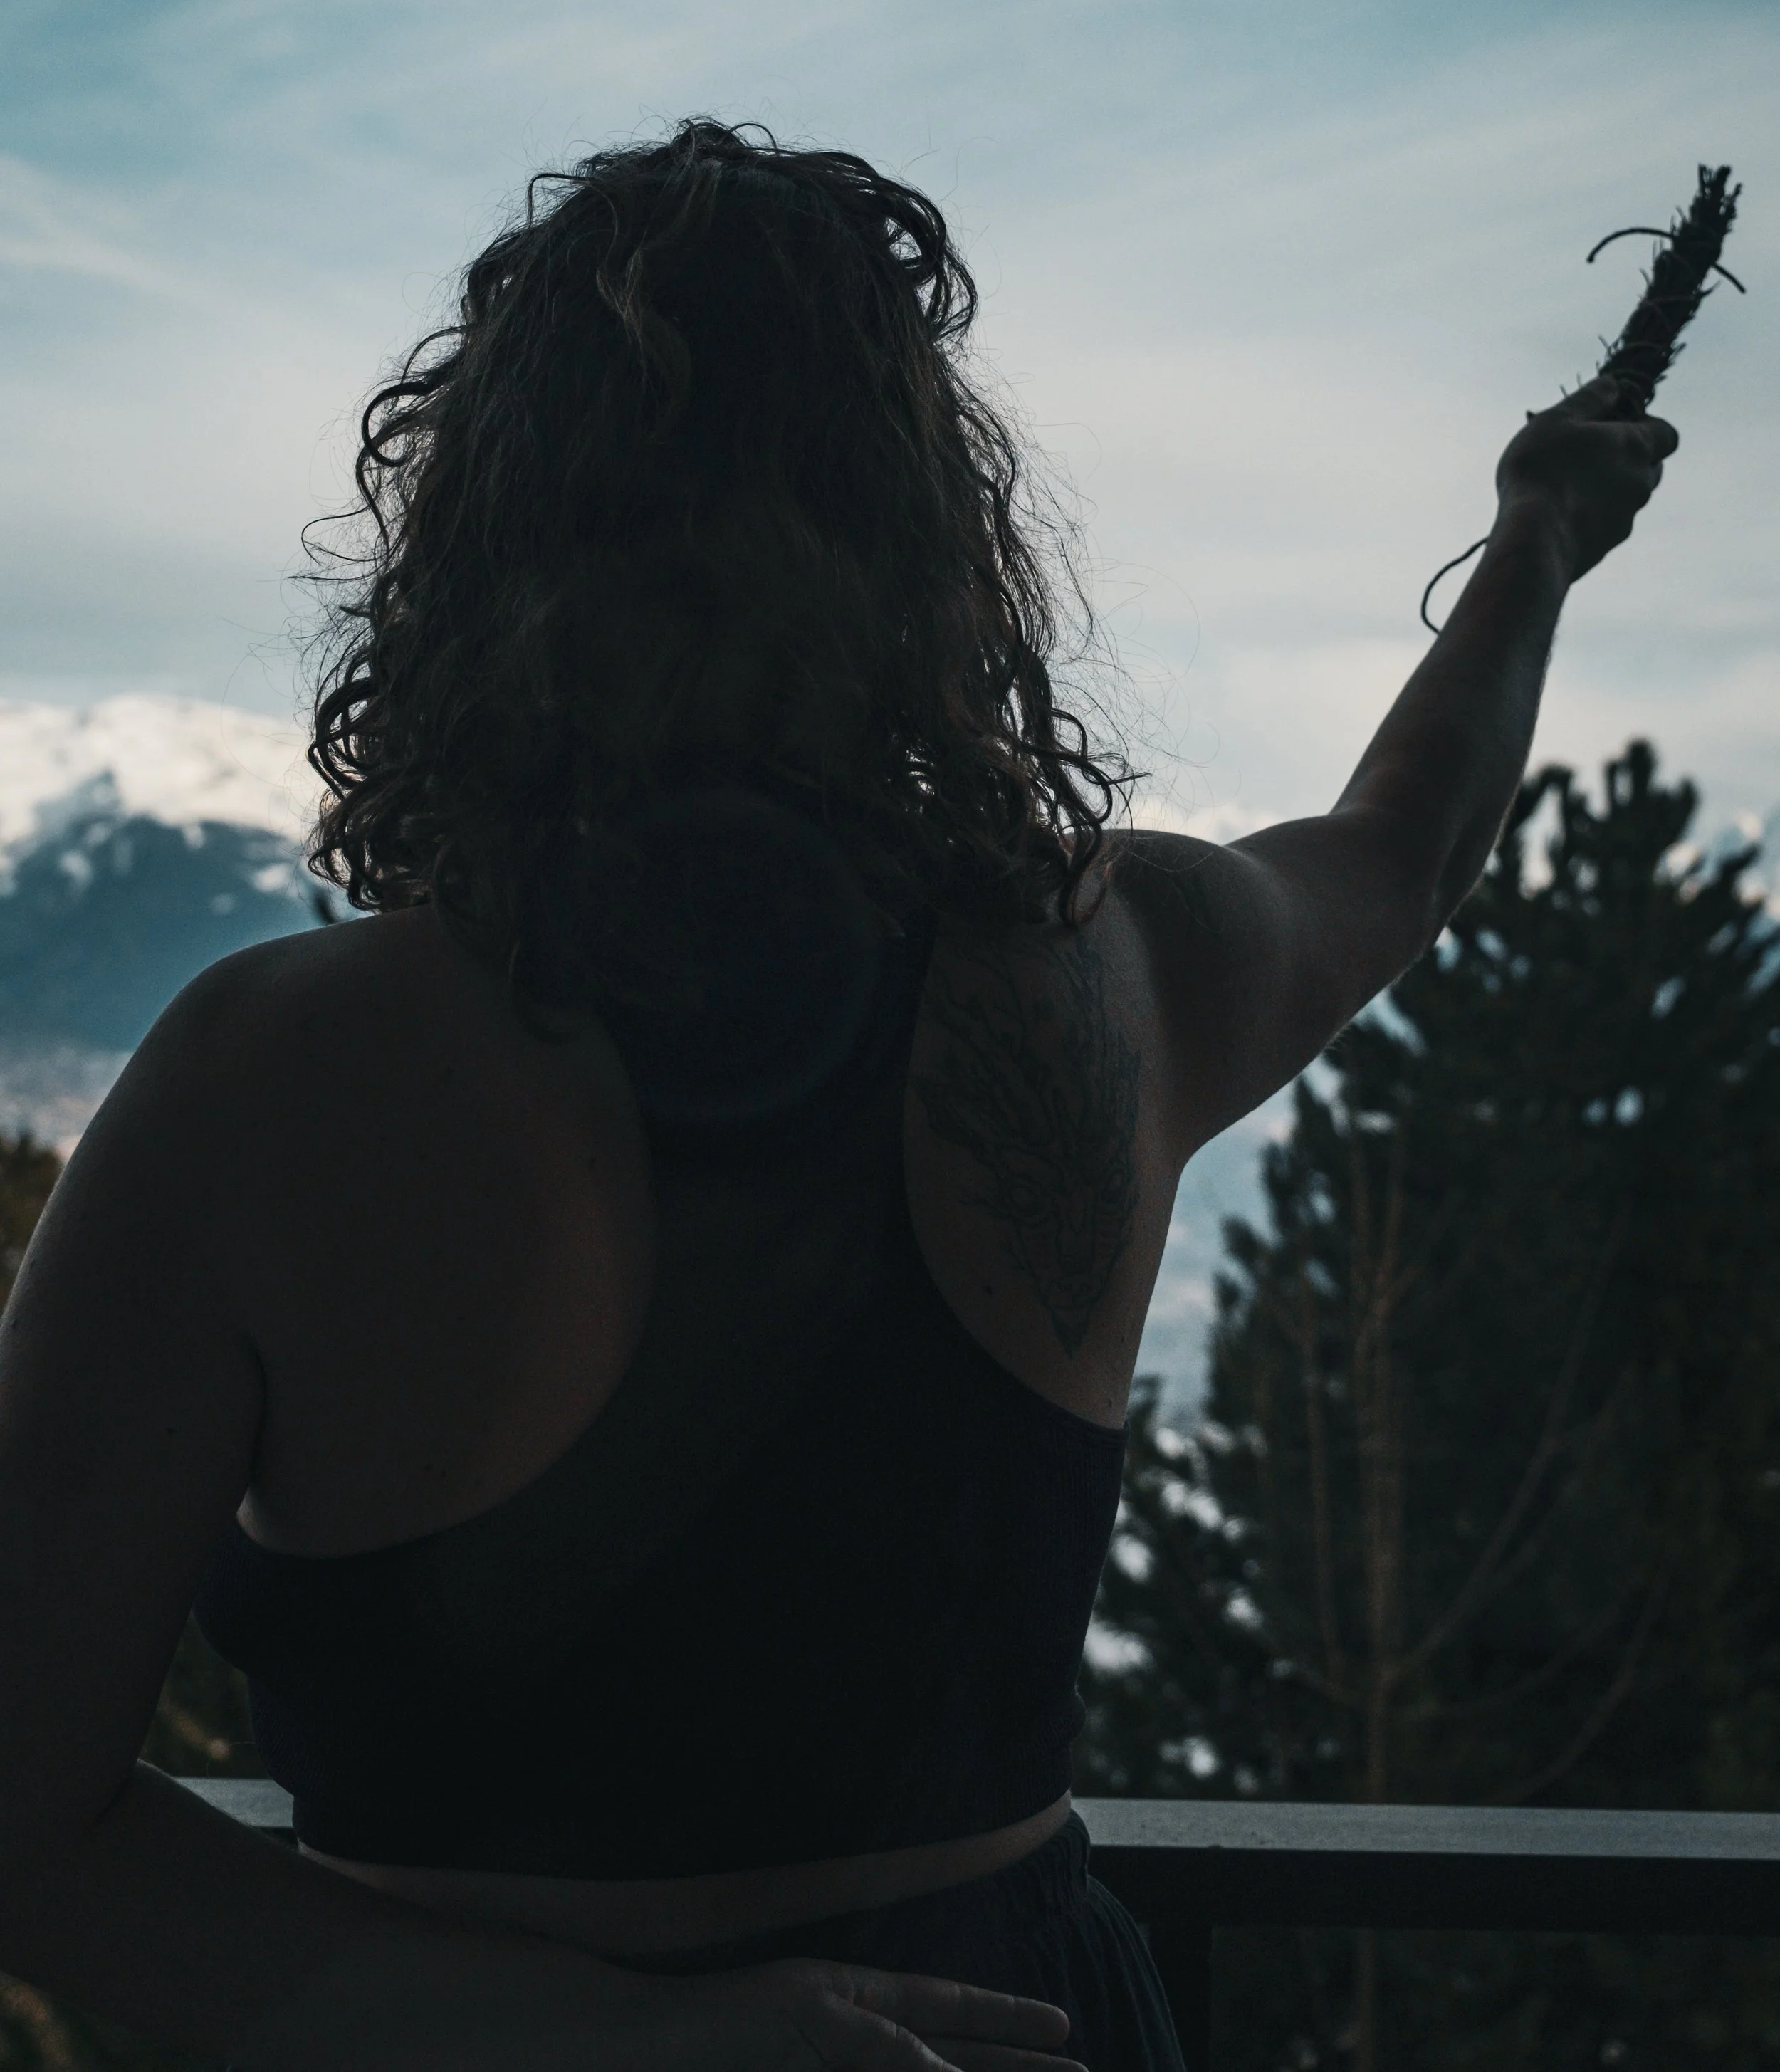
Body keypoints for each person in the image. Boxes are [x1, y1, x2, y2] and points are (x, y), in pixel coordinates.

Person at [0, 122, 1677, 2071]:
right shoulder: (1123, 971)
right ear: (929, 546)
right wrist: (1537, 538)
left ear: (476, 555)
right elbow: (1402, 849)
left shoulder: (268, 1076)